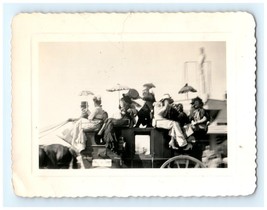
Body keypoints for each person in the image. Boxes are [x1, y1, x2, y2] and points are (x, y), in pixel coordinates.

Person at [98, 89, 139, 154]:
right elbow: (122, 112)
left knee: (110, 120)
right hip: (124, 119)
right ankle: (109, 139)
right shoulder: (124, 103)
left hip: (127, 121)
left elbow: (135, 112)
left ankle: (105, 137)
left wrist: (130, 111)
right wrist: (123, 111)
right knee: (109, 121)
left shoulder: (131, 105)